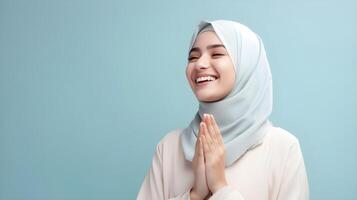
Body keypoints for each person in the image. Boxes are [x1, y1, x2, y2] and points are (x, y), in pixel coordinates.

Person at [137, 19, 309, 200]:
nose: (200, 64)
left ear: (246, 62)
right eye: (193, 57)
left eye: (217, 54)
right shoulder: (170, 147)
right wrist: (194, 196)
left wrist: (220, 188)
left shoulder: (282, 147)